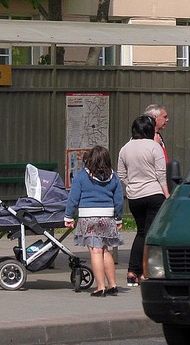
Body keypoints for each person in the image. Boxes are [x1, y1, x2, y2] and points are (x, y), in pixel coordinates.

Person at [64, 145, 124, 297]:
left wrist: (69, 216)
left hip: (88, 218)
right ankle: (113, 284)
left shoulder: (81, 176)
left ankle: (100, 287)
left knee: (95, 251)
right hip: (108, 217)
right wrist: (118, 218)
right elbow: (118, 200)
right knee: (105, 250)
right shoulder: (114, 176)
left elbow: (73, 198)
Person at [117, 114, 169, 285]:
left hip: (134, 197)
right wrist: (166, 193)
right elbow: (161, 174)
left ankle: (133, 271)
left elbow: (121, 175)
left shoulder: (125, 148)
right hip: (154, 194)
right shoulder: (154, 147)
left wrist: (132, 185)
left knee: (141, 232)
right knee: (150, 235)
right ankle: (144, 272)